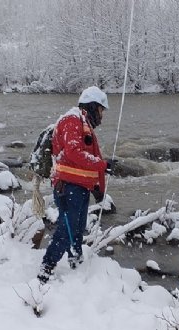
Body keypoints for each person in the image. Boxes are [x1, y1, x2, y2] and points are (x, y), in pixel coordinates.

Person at [37, 86, 113, 284]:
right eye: (101, 110)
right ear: (91, 107)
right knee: (67, 229)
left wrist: (98, 186)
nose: (102, 115)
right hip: (68, 186)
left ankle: (76, 262)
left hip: (79, 186)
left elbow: (86, 158)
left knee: (77, 228)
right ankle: (46, 268)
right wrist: (103, 165)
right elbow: (74, 153)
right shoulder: (73, 120)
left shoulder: (82, 123)